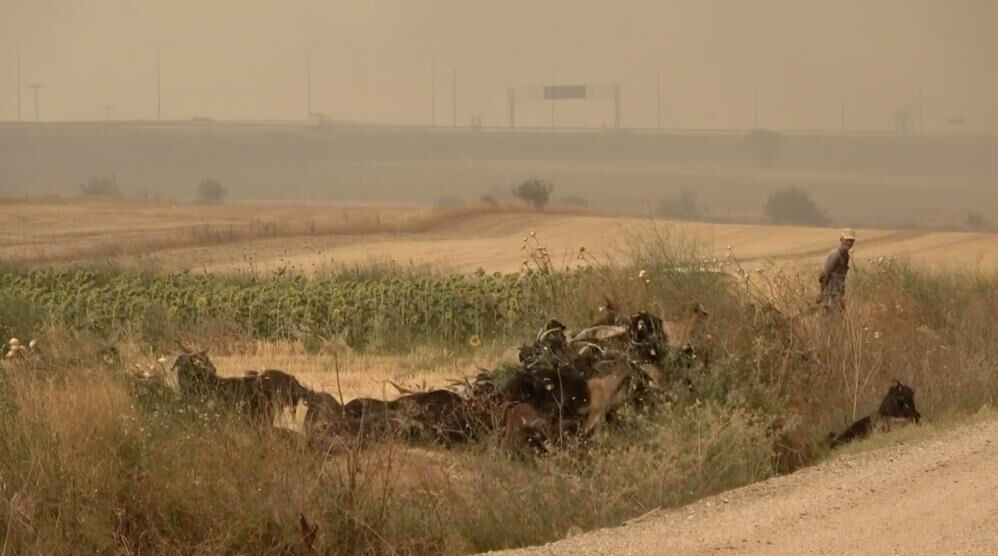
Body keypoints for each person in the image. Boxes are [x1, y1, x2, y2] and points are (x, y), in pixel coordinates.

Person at [818, 228, 856, 313]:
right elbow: (823, 276)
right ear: (841, 240)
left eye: (851, 241)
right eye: (847, 240)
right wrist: (822, 295)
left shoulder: (845, 255)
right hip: (831, 294)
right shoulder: (836, 255)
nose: (849, 243)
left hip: (838, 292)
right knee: (833, 319)